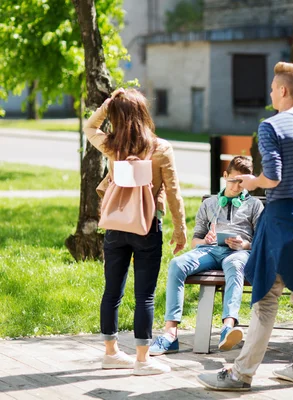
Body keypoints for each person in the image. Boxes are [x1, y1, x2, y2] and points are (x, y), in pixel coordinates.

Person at [197, 61, 293, 391]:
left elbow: (272, 177)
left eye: (274, 88)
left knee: (265, 298)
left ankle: (240, 374)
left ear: (284, 90)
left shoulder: (270, 127)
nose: (271, 93)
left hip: (282, 223)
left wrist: (252, 180)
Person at [85, 88, 187, 376]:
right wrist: (180, 230)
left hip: (116, 226)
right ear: (144, 114)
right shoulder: (160, 148)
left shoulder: (112, 146)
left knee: (112, 292)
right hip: (146, 227)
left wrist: (107, 105)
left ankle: (111, 353)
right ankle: (142, 359)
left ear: (117, 116)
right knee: (145, 296)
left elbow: (89, 127)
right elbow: (174, 194)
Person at [149, 156, 263, 355]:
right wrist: (206, 241)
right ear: (225, 175)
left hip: (238, 253)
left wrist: (243, 244)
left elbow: (262, 242)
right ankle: (170, 334)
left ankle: (228, 328)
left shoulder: (254, 206)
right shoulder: (209, 204)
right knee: (177, 264)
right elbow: (195, 242)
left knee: (235, 265)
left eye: (242, 182)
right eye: (234, 180)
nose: (237, 186)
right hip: (209, 250)